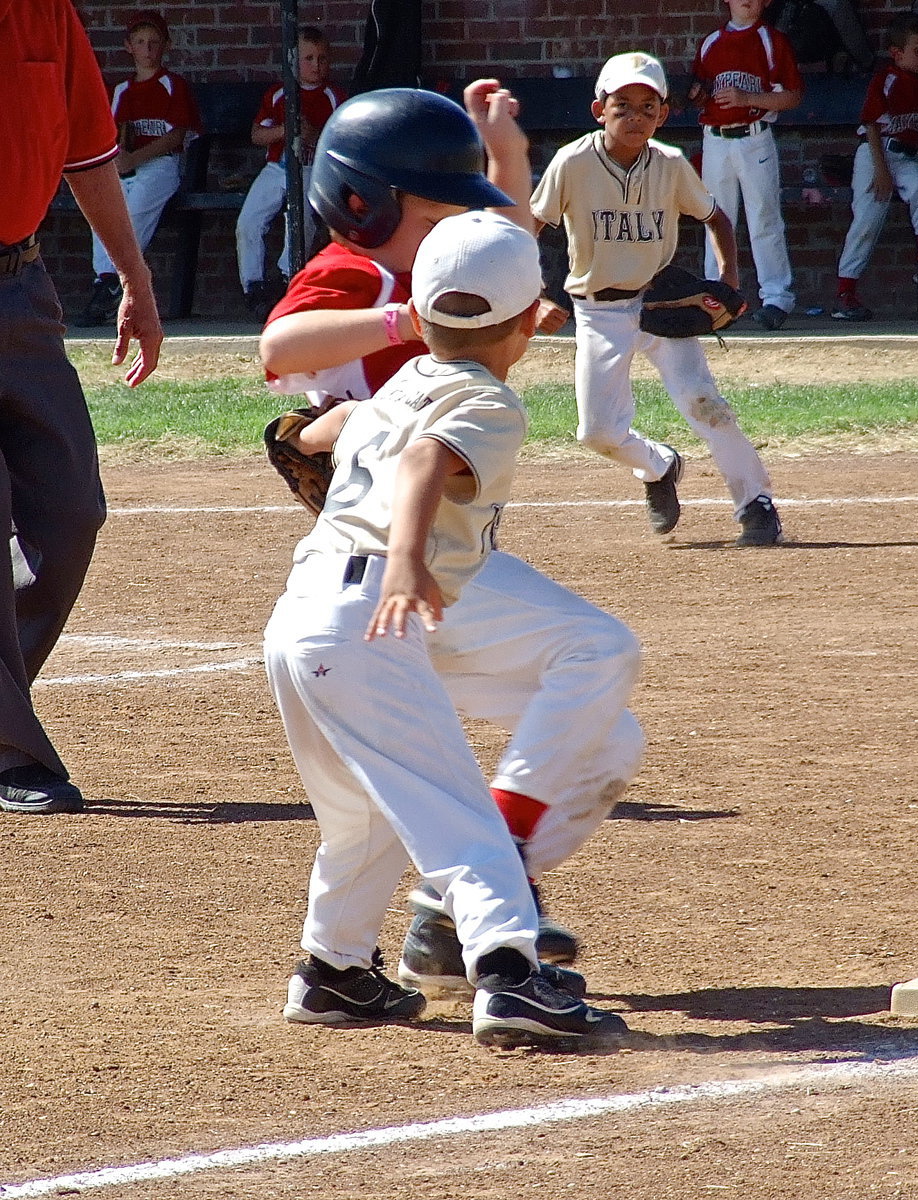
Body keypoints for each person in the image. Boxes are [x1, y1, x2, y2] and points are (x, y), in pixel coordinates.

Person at [260, 86, 645, 996]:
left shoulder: (427, 342)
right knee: (455, 797)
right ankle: (503, 945)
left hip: (348, 595)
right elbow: (281, 349)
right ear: (371, 203)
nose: (460, 224)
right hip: (391, 578)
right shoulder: (363, 282)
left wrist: (505, 149)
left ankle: (334, 965)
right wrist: (405, 326)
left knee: (598, 734)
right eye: (443, 208)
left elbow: (497, 240)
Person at [1, 0, 163, 814]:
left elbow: (90, 150)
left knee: (69, 513)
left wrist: (134, 279)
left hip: (19, 290)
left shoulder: (43, 12)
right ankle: (11, 751)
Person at [530, 52, 782, 546]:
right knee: (596, 433)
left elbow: (717, 219)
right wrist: (534, 293)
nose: (636, 116)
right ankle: (659, 465)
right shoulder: (573, 161)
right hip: (598, 310)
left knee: (707, 405)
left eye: (649, 106)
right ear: (598, 108)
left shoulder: (669, 163)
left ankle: (756, 502)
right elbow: (531, 228)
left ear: (663, 114)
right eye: (622, 104)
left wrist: (728, 280)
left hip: (662, 306)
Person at [75, 9, 200, 327]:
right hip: (129, 166)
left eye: (154, 42)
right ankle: (105, 281)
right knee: (105, 208)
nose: (147, 48)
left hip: (162, 165)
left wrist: (134, 159)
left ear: (165, 46)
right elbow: (112, 134)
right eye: (140, 41)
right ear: (128, 46)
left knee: (139, 204)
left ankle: (116, 280)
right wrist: (120, 158)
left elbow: (177, 135)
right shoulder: (123, 90)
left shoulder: (173, 84)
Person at [688, 0, 804, 331]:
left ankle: (776, 297)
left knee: (764, 217)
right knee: (716, 215)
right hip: (715, 138)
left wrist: (747, 98)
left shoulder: (771, 40)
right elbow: (702, 92)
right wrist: (695, 94)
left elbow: (793, 95)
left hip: (754, 136)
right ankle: (717, 296)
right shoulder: (711, 42)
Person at [832, 14, 918, 321]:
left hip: (908, 158)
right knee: (867, 220)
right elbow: (871, 126)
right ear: (896, 53)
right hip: (877, 154)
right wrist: (881, 171)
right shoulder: (888, 79)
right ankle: (845, 293)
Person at [235, 27, 347, 322]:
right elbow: (257, 134)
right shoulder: (280, 93)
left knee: (303, 216)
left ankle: (288, 276)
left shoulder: (333, 95)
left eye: (322, 58)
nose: (316, 65)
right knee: (249, 220)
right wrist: (284, 129)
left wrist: (313, 135)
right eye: (308, 58)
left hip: (313, 168)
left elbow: (341, 139)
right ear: (293, 60)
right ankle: (254, 286)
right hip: (277, 168)